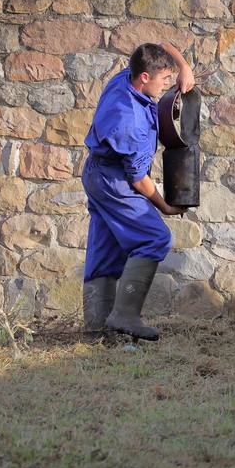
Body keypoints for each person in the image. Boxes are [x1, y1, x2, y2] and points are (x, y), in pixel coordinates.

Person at [81, 41, 195, 341]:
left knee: (106, 246)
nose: (167, 85)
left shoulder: (124, 78)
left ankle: (97, 327)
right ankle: (124, 315)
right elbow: (138, 180)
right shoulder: (127, 120)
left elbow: (161, 44)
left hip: (97, 173)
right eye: (164, 80)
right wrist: (164, 206)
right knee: (154, 237)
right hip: (113, 180)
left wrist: (183, 67)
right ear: (145, 77)